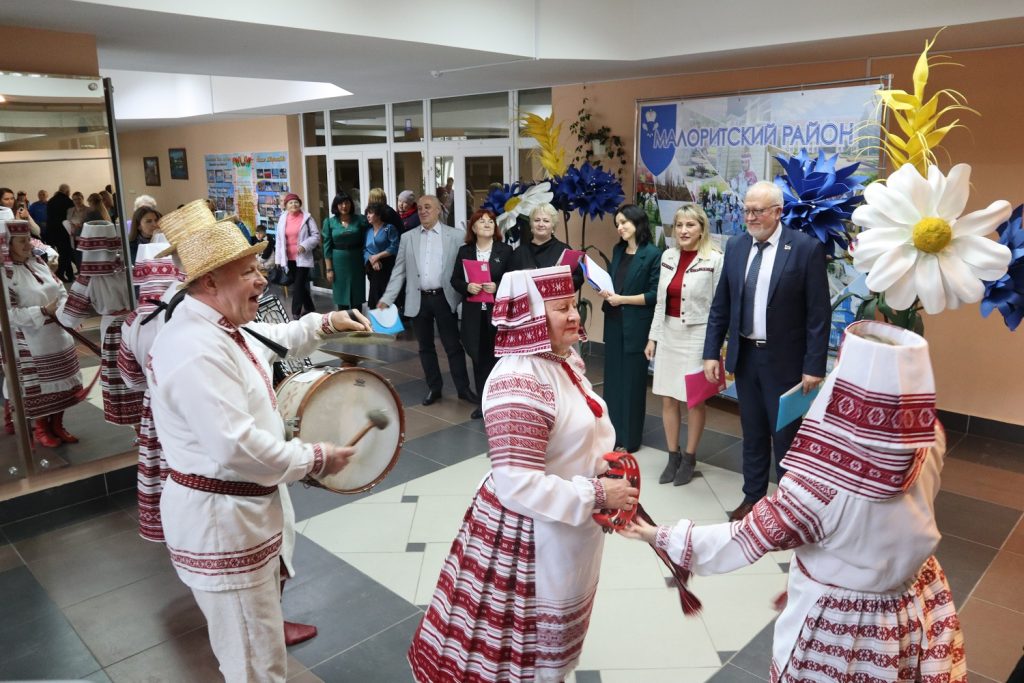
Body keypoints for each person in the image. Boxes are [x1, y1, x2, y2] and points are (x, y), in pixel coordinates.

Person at [623, 321, 966, 681]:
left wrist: (660, 536)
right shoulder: (930, 439)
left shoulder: (819, 484)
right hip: (915, 604)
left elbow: (745, 537)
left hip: (844, 626)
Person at [147, 200, 371, 682]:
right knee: (255, 666)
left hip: (243, 517)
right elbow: (236, 447)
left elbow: (274, 337)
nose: (261, 279)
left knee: (259, 651)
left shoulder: (221, 325)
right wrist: (315, 457)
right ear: (209, 282)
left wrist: (327, 323)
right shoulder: (194, 349)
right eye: (248, 271)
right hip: (222, 526)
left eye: (258, 267)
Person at [409, 265, 638, 683]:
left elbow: (579, 427)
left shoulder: (561, 360)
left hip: (566, 524)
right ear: (532, 317)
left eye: (574, 305)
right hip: (528, 536)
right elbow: (518, 486)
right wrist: (598, 494)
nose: (575, 315)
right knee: (518, 648)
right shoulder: (518, 383)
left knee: (553, 641)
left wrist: (605, 465)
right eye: (561, 308)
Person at [703, 181, 830, 521]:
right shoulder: (736, 246)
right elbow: (721, 305)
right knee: (753, 432)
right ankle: (753, 499)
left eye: (757, 211)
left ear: (777, 211)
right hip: (746, 358)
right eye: (746, 210)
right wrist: (711, 351)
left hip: (786, 362)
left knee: (786, 437)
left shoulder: (805, 249)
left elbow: (818, 315)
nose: (750, 217)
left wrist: (814, 366)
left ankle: (788, 507)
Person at [645, 204, 723, 485]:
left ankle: (689, 458)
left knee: (694, 399)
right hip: (669, 333)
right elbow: (660, 302)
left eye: (690, 225)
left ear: (702, 228)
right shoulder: (668, 256)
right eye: (679, 225)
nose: (683, 230)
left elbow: (719, 308)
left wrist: (714, 348)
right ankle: (673, 456)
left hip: (698, 336)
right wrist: (653, 337)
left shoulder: (715, 259)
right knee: (667, 398)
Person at [378, 195, 475, 406]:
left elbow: (466, 268)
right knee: (425, 347)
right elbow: (399, 271)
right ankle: (434, 388)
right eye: (420, 208)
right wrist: (387, 298)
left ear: (439, 210)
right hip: (418, 299)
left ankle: (463, 389)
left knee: (453, 346)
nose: (423, 211)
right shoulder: (408, 237)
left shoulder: (456, 236)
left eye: (428, 207)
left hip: (444, 298)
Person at [1, 220, 84, 447]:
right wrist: (42, 311)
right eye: (21, 241)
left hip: (57, 334)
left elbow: (59, 288)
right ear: (8, 244)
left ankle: (58, 425)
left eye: (28, 239)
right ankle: (42, 428)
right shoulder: (5, 274)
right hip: (32, 340)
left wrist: (64, 309)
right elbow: (6, 314)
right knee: (42, 388)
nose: (28, 245)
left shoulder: (38, 263)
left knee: (64, 383)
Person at [57, 220, 143, 428]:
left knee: (126, 379)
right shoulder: (128, 267)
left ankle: (140, 432)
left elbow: (69, 318)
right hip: (138, 325)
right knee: (140, 377)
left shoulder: (88, 278)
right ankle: (147, 429)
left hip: (114, 330)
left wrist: (56, 308)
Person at [599, 203, 660, 453]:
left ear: (637, 222)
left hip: (637, 326)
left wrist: (621, 299)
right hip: (614, 322)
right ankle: (612, 436)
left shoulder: (653, 254)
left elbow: (654, 295)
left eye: (624, 222)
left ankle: (630, 439)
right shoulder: (618, 250)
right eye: (618, 224)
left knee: (633, 384)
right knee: (613, 382)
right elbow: (616, 283)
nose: (620, 227)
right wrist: (605, 290)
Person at [450, 208, 513, 420]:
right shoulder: (465, 251)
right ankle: (483, 403)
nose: (487, 224)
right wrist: (467, 287)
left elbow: (514, 278)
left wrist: (498, 285)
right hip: (474, 314)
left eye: (491, 221)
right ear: (474, 228)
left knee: (499, 360)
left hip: (498, 314)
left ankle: (501, 403)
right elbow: (455, 280)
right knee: (478, 358)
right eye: (482, 221)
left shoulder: (505, 251)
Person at [507, 202, 585, 290]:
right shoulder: (519, 252)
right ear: (531, 225)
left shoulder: (563, 250)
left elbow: (578, 278)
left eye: (546, 221)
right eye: (537, 220)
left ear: (553, 226)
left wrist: (561, 280)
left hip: (555, 298)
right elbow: (509, 282)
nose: (541, 224)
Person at [273, 192, 319, 318]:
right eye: (290, 203)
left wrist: (304, 245)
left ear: (300, 204)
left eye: (296, 202)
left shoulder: (307, 218)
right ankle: (310, 307)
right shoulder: (282, 218)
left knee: (298, 285)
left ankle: (295, 313)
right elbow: (279, 240)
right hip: (289, 259)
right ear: (286, 205)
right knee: (300, 285)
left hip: (303, 258)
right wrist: (278, 259)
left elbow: (316, 236)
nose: (294, 204)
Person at [322, 192, 367, 311]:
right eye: (340, 203)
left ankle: (358, 321)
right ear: (336, 206)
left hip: (357, 260)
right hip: (338, 263)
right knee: (341, 296)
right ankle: (343, 321)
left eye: (347, 203)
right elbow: (327, 247)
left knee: (357, 296)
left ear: (351, 204)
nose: (344, 206)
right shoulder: (329, 222)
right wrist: (329, 269)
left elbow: (367, 240)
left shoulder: (360, 220)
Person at [363, 201, 400, 309]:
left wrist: (378, 256)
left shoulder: (389, 228)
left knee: (387, 296)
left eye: (371, 213)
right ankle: (376, 319)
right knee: (375, 296)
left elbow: (395, 246)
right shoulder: (368, 231)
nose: (368, 216)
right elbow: (365, 249)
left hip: (387, 266)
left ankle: (390, 319)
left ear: (378, 215)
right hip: (373, 267)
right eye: (367, 213)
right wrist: (371, 259)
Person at [45, 184, 76, 282]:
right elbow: (71, 217)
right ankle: (59, 274)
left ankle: (70, 274)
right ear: (67, 192)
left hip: (52, 231)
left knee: (64, 253)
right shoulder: (68, 201)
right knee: (66, 254)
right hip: (64, 231)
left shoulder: (51, 201)